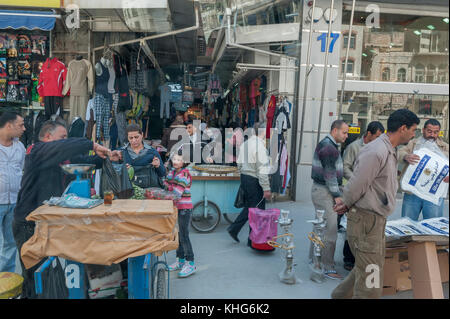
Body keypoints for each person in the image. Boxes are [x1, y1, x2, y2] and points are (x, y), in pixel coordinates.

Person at [12, 120, 113, 298]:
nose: (65, 141)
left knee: (48, 272)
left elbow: (86, 161)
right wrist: (91, 144)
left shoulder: (58, 156)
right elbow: (65, 147)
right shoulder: (37, 151)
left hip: (46, 219)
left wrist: (106, 157)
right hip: (27, 222)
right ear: (48, 137)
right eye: (63, 137)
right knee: (33, 273)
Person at [332, 109, 420, 299]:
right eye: (413, 129)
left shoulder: (389, 149)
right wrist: (346, 202)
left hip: (375, 220)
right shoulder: (377, 150)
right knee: (371, 281)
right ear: (403, 128)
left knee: (369, 266)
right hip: (366, 219)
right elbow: (358, 181)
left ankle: (339, 296)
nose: (414, 134)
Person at [341, 121, 385, 271]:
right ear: (369, 134)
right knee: (351, 225)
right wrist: (358, 180)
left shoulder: (379, 149)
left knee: (365, 227)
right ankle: (348, 259)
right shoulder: (354, 147)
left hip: (369, 193)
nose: (379, 140)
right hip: (354, 189)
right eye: (377, 136)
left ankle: (361, 258)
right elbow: (345, 166)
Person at [310, 120, 349, 280]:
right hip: (325, 192)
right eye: (344, 132)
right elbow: (330, 176)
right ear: (335, 130)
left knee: (320, 227)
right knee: (330, 230)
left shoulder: (329, 144)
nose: (347, 136)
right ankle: (327, 266)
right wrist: (337, 196)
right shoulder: (329, 147)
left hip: (322, 190)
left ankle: (315, 260)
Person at [227, 123, 272, 245]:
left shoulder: (246, 144)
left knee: (251, 207)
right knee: (256, 210)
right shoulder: (260, 147)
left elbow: (240, 164)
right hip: (254, 180)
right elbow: (262, 171)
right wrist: (266, 188)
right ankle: (252, 239)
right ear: (263, 132)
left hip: (245, 178)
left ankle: (236, 230)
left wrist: (244, 174)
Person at [398, 119, 449, 220]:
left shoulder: (445, 147)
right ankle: (407, 237)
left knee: (432, 225)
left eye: (436, 132)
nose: (432, 135)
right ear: (423, 130)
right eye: (429, 131)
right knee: (407, 223)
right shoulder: (413, 143)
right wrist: (406, 156)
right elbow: (399, 152)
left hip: (434, 193)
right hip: (412, 192)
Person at [0, 112, 25, 273]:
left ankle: (5, 280)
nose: (24, 128)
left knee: (11, 243)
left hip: (14, 203)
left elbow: (21, 170)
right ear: (9, 125)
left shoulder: (20, 147)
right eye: (20, 125)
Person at [165, 151, 196, 277]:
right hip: (176, 207)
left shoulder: (184, 174)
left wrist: (169, 189)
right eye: (174, 159)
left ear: (184, 162)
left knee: (184, 236)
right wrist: (170, 187)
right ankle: (180, 260)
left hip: (184, 208)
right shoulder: (172, 172)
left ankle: (191, 263)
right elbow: (165, 183)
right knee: (178, 235)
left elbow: (177, 193)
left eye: (179, 159)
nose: (176, 161)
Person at [116, 124, 166, 188]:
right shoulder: (121, 152)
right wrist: (122, 168)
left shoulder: (152, 152)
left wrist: (158, 166)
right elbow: (115, 173)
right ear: (127, 137)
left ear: (142, 135)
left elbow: (162, 174)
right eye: (131, 138)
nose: (134, 140)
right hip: (128, 190)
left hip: (148, 191)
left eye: (136, 137)